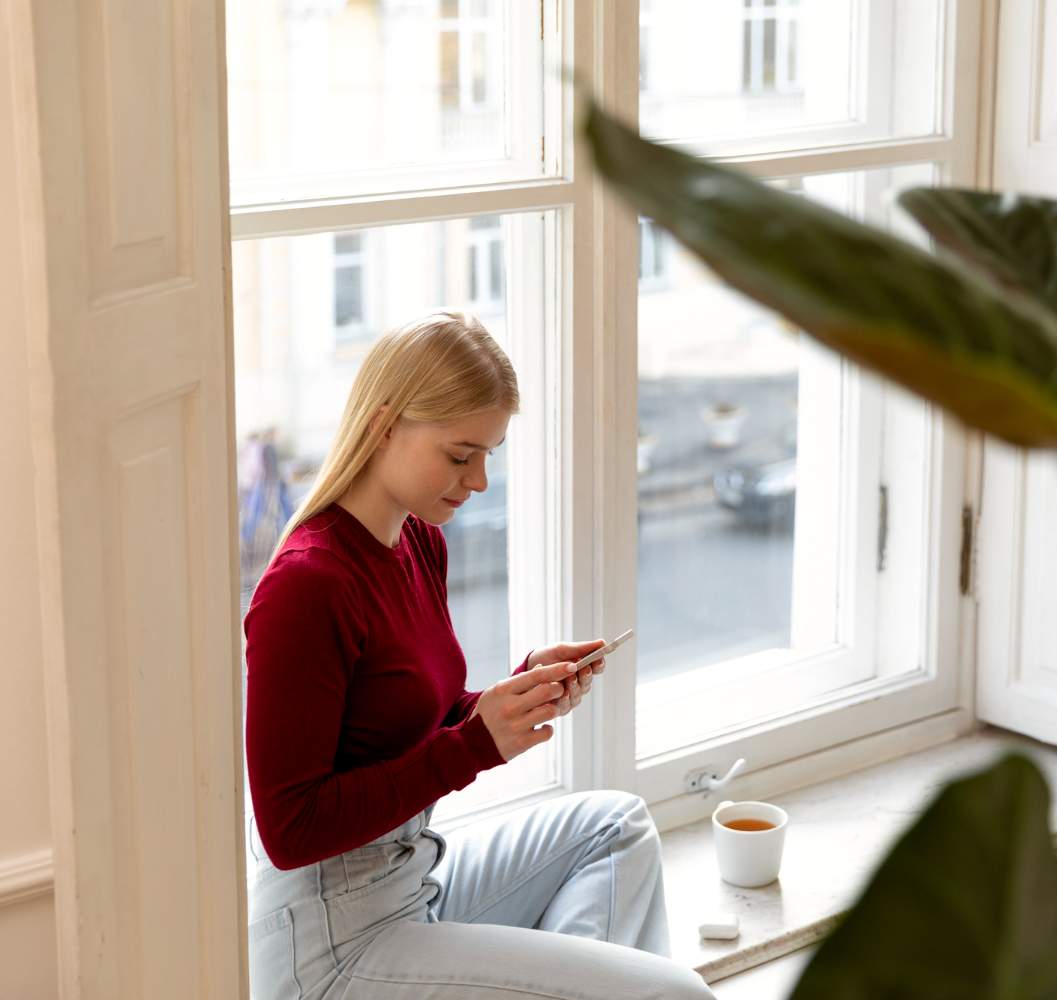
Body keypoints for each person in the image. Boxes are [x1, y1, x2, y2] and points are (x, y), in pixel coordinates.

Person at [243, 312, 714, 1000]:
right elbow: (290, 828)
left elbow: (397, 722)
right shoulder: (307, 586)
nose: (480, 480)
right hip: (330, 947)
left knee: (615, 827)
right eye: (461, 455)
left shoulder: (417, 540)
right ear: (384, 426)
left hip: (410, 885)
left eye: (489, 454)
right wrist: (476, 744)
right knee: (679, 995)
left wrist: (514, 696)